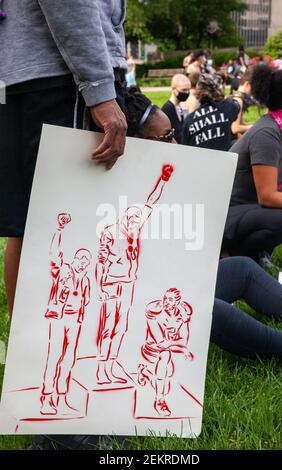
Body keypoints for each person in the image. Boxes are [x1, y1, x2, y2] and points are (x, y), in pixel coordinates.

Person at [125, 90, 282, 362]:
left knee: (241, 268)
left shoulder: (159, 179)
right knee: (204, 307)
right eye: (164, 138)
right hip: (136, 308)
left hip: (171, 286)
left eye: (173, 135)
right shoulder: (118, 193)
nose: (174, 144)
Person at [0, 0, 128, 319]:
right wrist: (100, 90)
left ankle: (27, 353)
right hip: (59, 74)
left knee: (35, 224)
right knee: (67, 223)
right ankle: (42, 352)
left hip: (28, 72)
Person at [95, 165, 173, 385]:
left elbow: (151, 202)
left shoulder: (135, 230)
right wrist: (100, 286)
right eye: (131, 218)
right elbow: (100, 262)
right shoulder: (110, 232)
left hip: (128, 283)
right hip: (111, 284)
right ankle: (102, 368)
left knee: (121, 326)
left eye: (137, 220)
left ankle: (112, 363)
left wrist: (164, 179)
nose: (134, 223)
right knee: (108, 325)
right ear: (124, 217)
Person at [224, 66, 282, 262]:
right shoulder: (266, 133)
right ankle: (236, 254)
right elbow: (267, 196)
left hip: (254, 207)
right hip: (229, 212)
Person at [41, 214, 91, 415]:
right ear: (75, 259)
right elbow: (54, 254)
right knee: (54, 356)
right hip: (59, 318)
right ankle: (46, 397)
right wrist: (59, 230)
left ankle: (62, 396)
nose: (83, 263)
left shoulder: (86, 280)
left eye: (87, 260)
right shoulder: (63, 271)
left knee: (69, 358)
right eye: (81, 258)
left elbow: (85, 301)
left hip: (75, 321)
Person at [138, 289, 193, 417]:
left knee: (165, 386)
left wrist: (180, 345)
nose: (166, 302)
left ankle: (144, 372)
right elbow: (161, 343)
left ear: (177, 302)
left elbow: (184, 340)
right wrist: (181, 348)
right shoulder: (155, 313)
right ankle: (159, 401)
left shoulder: (181, 316)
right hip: (152, 349)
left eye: (170, 299)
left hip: (168, 349)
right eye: (165, 298)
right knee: (165, 356)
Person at [181, 73, 241, 151]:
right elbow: (237, 107)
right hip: (224, 160)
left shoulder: (189, 119)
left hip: (199, 161)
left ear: (198, 91)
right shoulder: (228, 106)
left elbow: (184, 148)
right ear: (218, 89)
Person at [161, 74, 191, 143]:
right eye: (184, 90)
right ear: (174, 89)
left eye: (188, 90)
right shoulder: (167, 110)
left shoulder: (180, 106)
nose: (187, 93)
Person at [229, 66, 254, 144]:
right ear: (247, 84)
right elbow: (235, 128)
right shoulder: (238, 100)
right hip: (229, 141)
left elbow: (240, 123)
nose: (253, 91)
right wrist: (255, 127)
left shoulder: (236, 96)